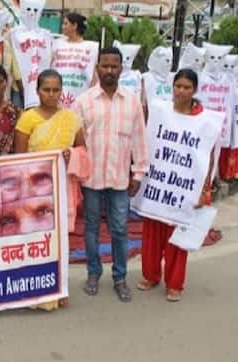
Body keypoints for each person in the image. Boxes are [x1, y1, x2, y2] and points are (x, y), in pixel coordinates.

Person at [72, 46, 148, 303]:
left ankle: (120, 278)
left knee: (119, 229)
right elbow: (75, 141)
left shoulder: (132, 102)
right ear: (97, 68)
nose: (109, 70)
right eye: (105, 65)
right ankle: (93, 273)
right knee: (91, 228)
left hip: (119, 179)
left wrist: (138, 174)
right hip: (91, 179)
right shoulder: (83, 102)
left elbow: (139, 140)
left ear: (121, 69)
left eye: (114, 66)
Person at [137, 69, 213, 302]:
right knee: (152, 234)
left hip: (183, 189)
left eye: (186, 87)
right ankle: (150, 276)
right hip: (159, 186)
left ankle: (175, 283)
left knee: (177, 238)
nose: (181, 91)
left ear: (195, 90)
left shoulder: (205, 121)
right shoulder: (160, 111)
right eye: (177, 86)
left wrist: (204, 188)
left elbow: (207, 157)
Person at [14, 69, 86, 232]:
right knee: (37, 228)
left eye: (56, 90)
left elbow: (82, 150)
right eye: (46, 90)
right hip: (34, 185)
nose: (51, 95)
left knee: (61, 232)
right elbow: (19, 158)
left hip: (63, 184)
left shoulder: (71, 118)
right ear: (37, 91)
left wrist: (72, 155)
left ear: (61, 91)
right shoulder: (27, 118)